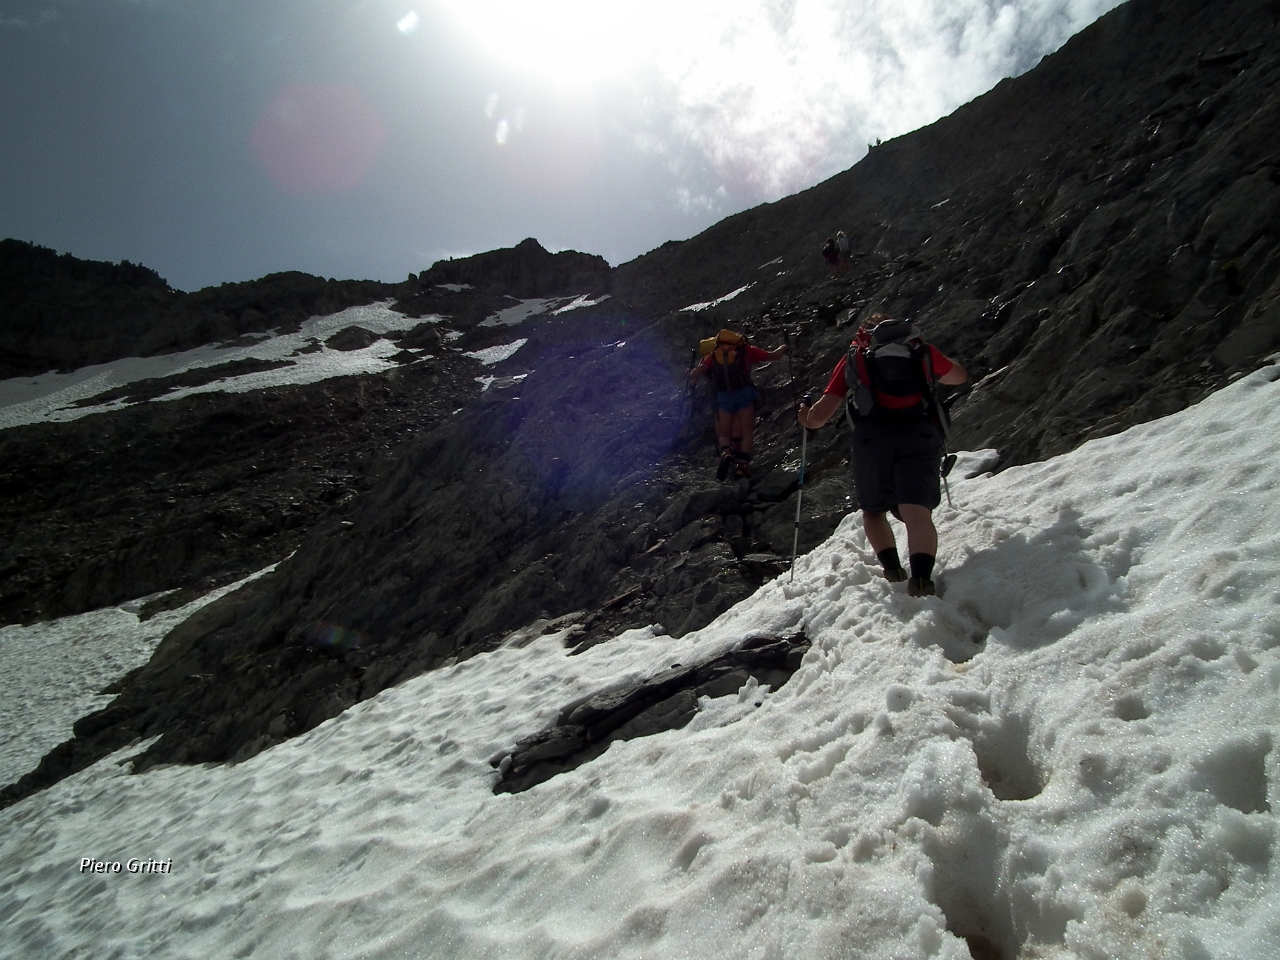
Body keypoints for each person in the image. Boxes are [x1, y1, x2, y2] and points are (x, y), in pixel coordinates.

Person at [797, 315, 967, 596]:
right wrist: (939, 358)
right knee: (916, 511)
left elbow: (820, 416)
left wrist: (805, 416)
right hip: (919, 432)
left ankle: (893, 571)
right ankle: (922, 580)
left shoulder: (857, 355)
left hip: (872, 439)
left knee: (873, 512)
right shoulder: (920, 351)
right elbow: (958, 377)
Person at [690, 332, 791, 480]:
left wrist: (692, 375)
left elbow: (696, 372)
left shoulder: (714, 354)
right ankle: (743, 465)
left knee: (724, 434)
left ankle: (726, 452)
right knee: (747, 432)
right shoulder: (747, 350)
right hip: (744, 394)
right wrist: (784, 347)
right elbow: (773, 355)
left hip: (724, 396)